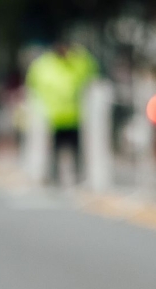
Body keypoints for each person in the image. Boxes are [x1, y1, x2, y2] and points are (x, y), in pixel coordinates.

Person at [25, 41, 97, 185]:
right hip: (53, 116)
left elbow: (91, 69)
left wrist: (82, 53)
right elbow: (32, 83)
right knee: (55, 150)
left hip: (72, 115)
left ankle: (76, 176)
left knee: (75, 149)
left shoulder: (75, 63)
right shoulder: (45, 65)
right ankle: (54, 176)